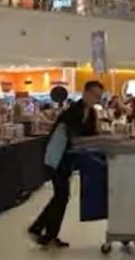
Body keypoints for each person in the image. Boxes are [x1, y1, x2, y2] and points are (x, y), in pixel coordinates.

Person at [28, 80, 103, 248]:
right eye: (94, 95)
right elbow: (74, 137)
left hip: (68, 160)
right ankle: (42, 231)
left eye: (98, 97)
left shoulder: (90, 113)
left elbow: (90, 134)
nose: (96, 99)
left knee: (61, 196)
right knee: (61, 196)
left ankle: (45, 232)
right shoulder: (73, 112)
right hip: (57, 158)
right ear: (86, 92)